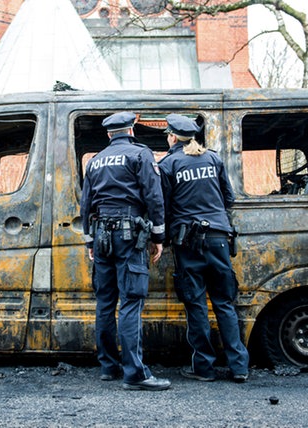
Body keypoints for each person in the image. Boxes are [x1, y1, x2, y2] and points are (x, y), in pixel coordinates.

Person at [80, 111, 170, 391]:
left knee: (105, 301)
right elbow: (154, 197)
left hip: (102, 235)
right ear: (131, 131)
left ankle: (108, 366)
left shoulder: (94, 162)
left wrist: (90, 242)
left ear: (109, 134)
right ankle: (135, 373)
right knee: (131, 300)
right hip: (129, 235)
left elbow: (86, 205)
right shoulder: (140, 155)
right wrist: (158, 236)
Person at [158, 113, 249, 383]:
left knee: (196, 305)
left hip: (188, 244)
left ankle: (205, 368)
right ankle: (239, 367)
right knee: (224, 303)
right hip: (220, 239)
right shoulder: (213, 158)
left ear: (172, 137)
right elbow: (229, 199)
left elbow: (163, 207)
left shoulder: (169, 164)